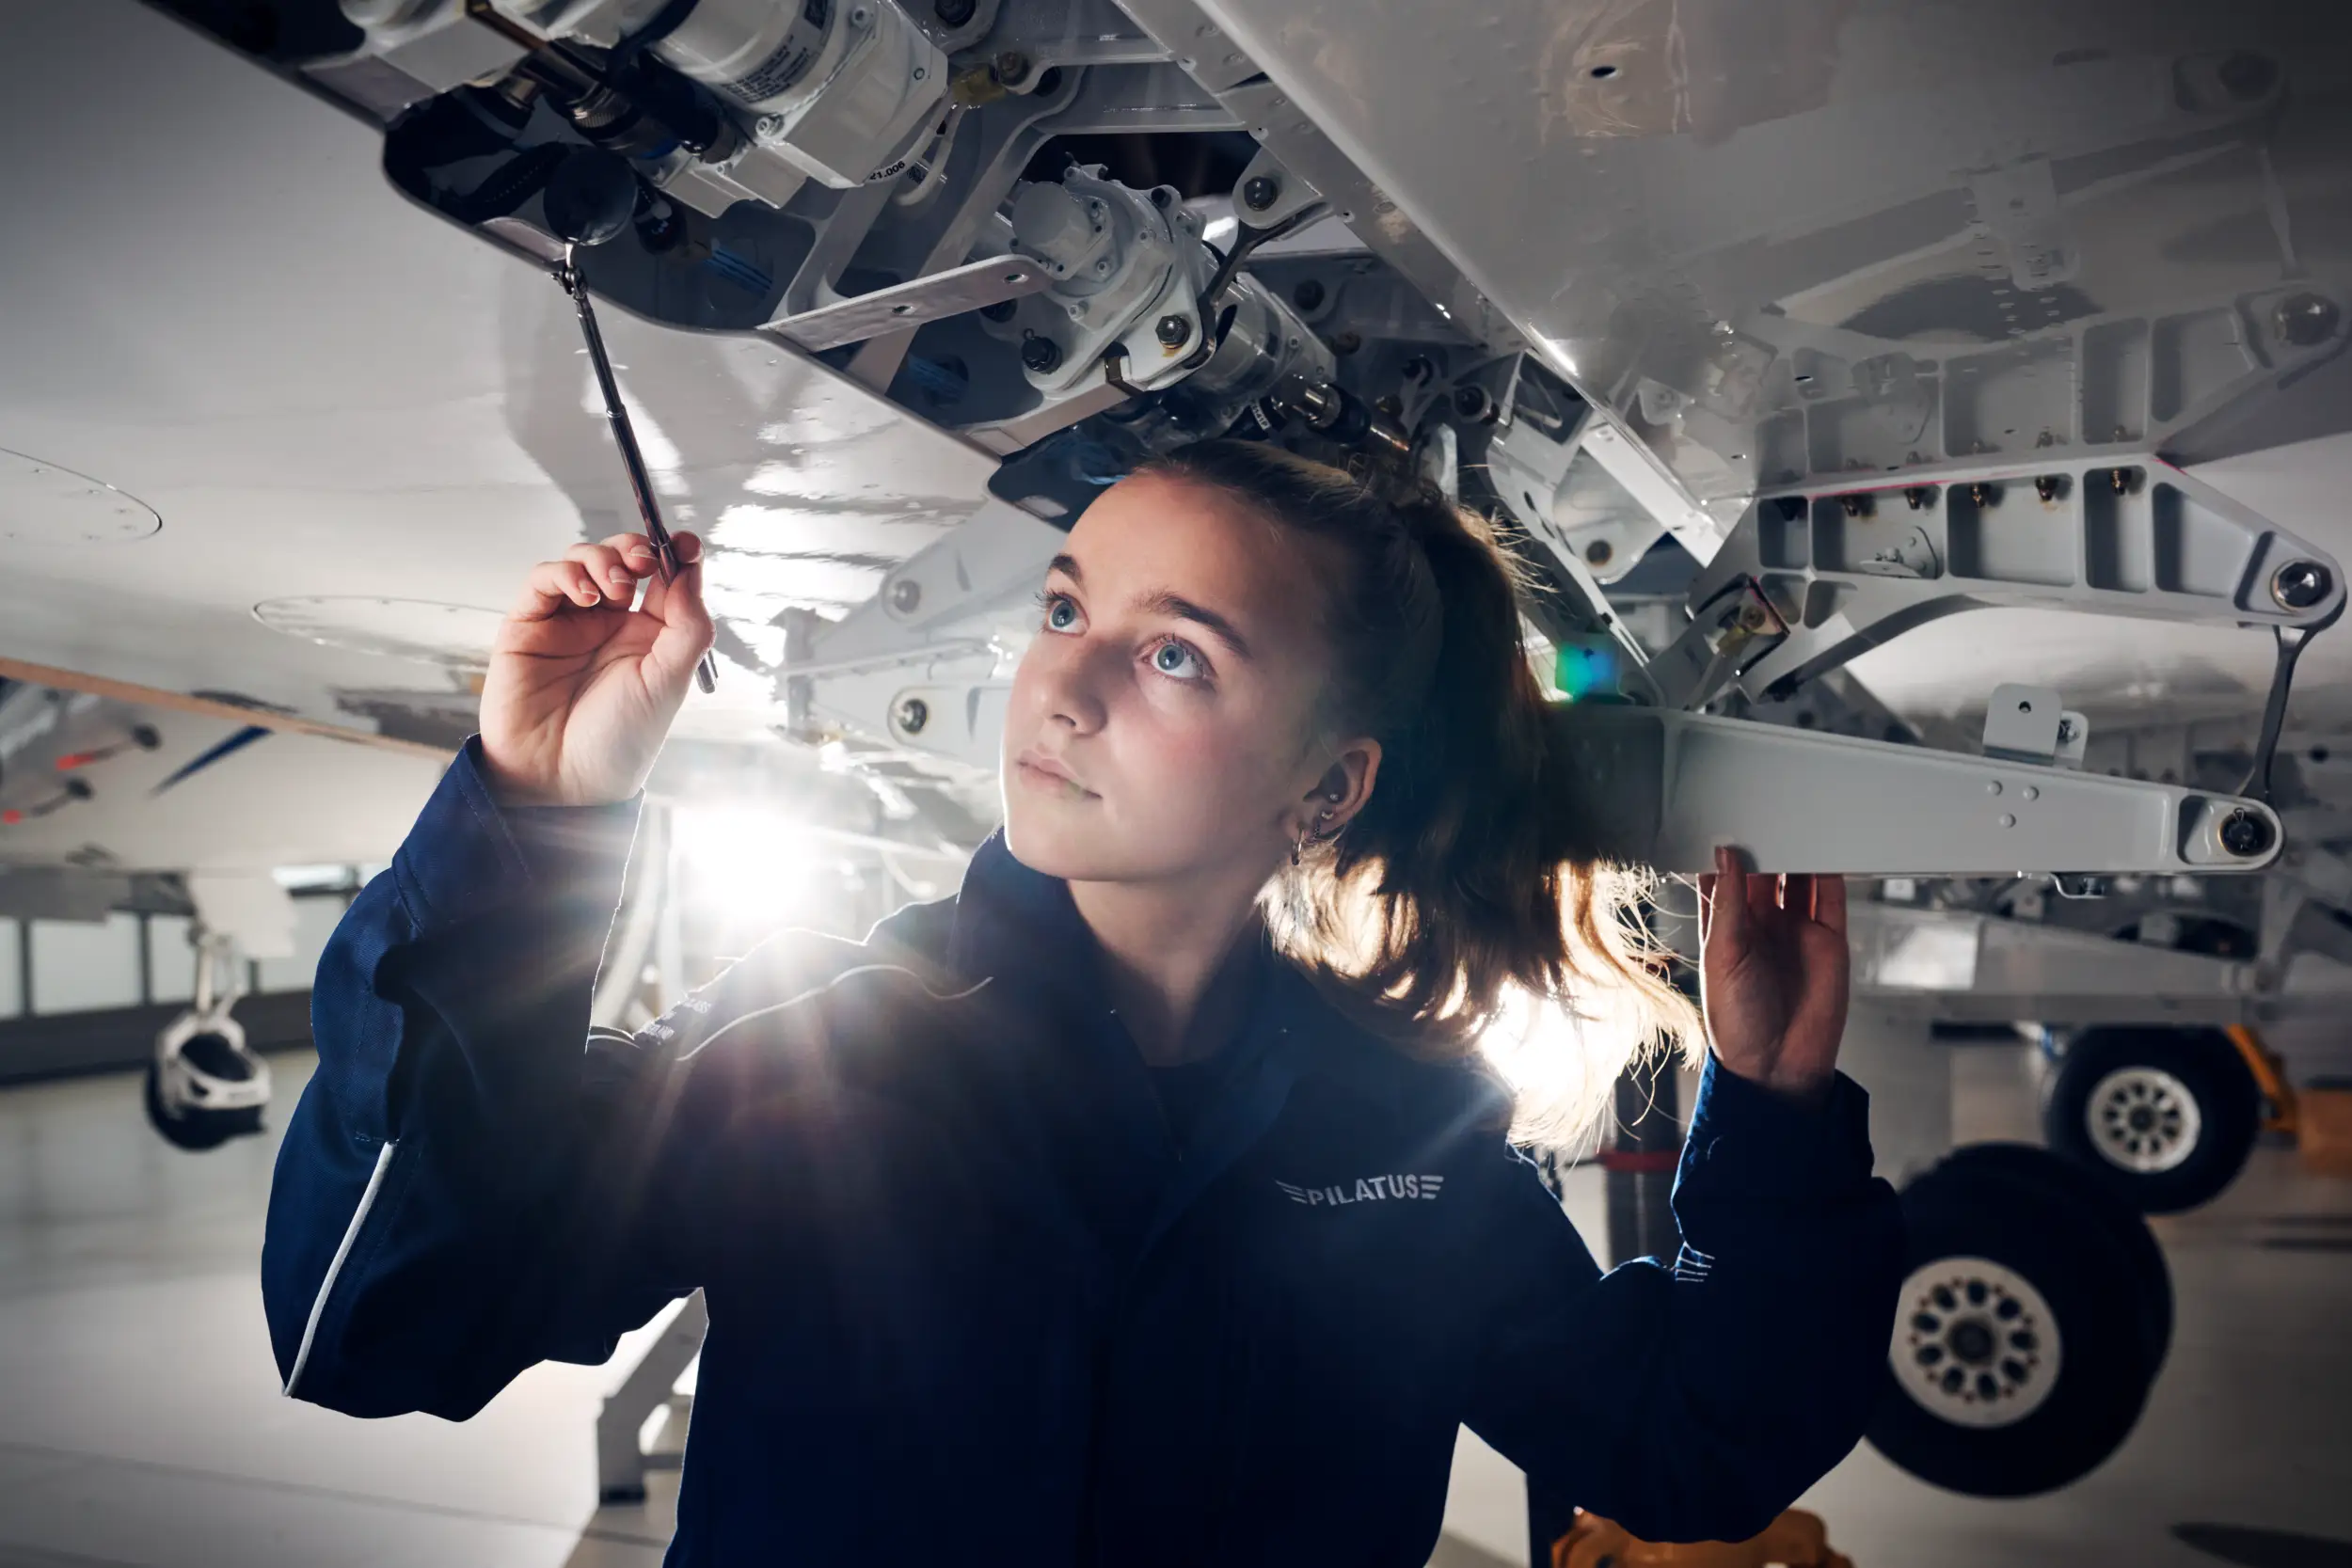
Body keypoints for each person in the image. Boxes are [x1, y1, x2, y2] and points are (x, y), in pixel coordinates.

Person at [262, 439, 1902, 1566]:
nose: (1063, 679)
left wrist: (1766, 1120)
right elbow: (382, 1322)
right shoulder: (822, 1042)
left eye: (1174, 652)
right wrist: (531, 818)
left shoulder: (1398, 1117)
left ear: (1328, 788)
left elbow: (1680, 1450)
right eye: (1066, 608)